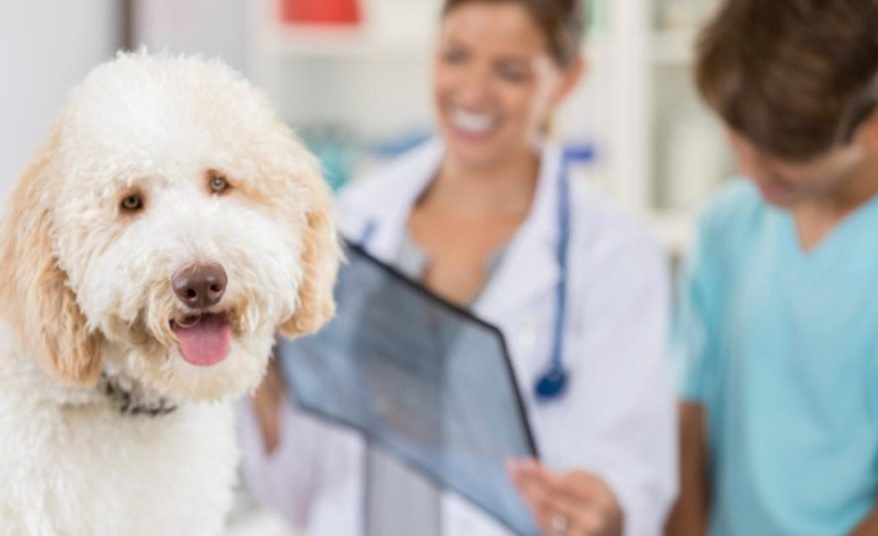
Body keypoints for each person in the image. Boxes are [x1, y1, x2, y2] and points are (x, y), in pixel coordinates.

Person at [240, 1, 677, 534]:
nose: (473, 92)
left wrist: (605, 509)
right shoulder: (354, 220)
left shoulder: (612, 253)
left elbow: (631, 472)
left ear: (568, 78)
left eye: (511, 72)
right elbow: (297, 471)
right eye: (456, 56)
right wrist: (258, 373)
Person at [667, 1, 878, 534]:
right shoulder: (728, 224)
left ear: (872, 126)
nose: (747, 169)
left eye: (781, 152)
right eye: (738, 136)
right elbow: (686, 416)